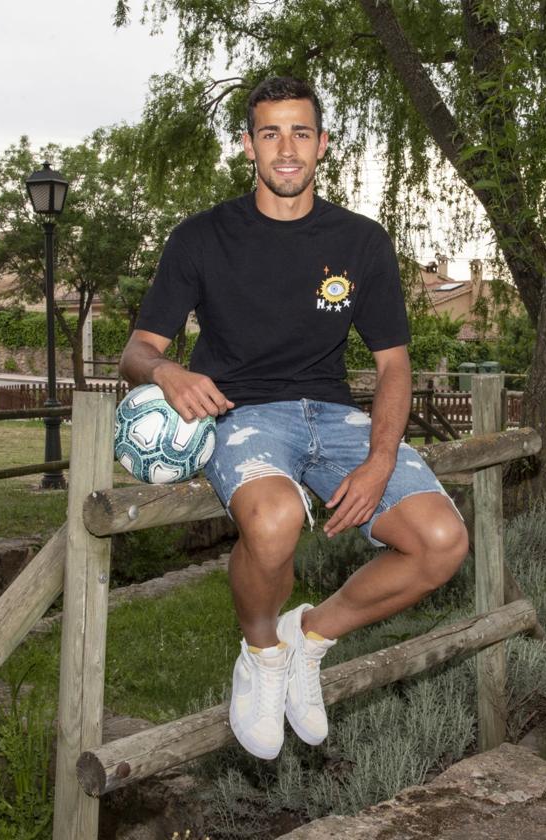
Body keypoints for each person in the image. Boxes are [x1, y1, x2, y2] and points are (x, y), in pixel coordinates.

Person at [119, 76, 468, 760]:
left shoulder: (361, 242)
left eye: (301, 133)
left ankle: (308, 640)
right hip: (242, 414)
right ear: (247, 145)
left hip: (336, 418)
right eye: (270, 133)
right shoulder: (200, 238)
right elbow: (137, 350)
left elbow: (394, 364)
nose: (287, 149)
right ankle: (261, 655)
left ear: (323, 145)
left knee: (440, 542)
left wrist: (379, 460)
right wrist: (168, 372)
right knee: (275, 521)